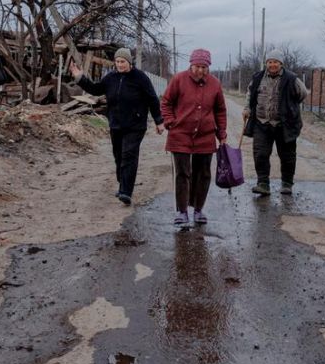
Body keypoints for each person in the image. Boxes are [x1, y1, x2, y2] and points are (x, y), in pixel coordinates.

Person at [70, 47, 164, 205]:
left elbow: (152, 99)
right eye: (117, 61)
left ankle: (126, 191)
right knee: (119, 156)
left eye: (123, 62)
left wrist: (158, 121)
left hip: (135, 125)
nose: (120, 64)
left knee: (129, 155)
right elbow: (96, 89)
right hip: (116, 124)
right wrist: (80, 77)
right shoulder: (111, 78)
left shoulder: (140, 78)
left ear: (129, 62)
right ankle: (122, 184)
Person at [160, 49, 228, 228]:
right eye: (197, 66)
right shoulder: (179, 79)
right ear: (191, 65)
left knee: (203, 174)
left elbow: (220, 110)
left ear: (208, 67)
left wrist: (221, 133)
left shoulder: (215, 84)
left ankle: (198, 209)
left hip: (205, 136)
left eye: (204, 67)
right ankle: (182, 212)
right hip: (180, 134)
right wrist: (170, 121)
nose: (200, 70)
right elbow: (166, 102)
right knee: (183, 173)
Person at [242, 50, 308, 196]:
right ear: (266, 63)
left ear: (281, 64)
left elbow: (303, 93)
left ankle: (287, 184)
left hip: (284, 124)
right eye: (270, 62)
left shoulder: (291, 78)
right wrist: (247, 108)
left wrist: (290, 106)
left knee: (287, 155)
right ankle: (263, 184)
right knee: (260, 154)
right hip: (261, 123)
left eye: (276, 62)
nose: (272, 64)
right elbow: (250, 94)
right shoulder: (258, 77)